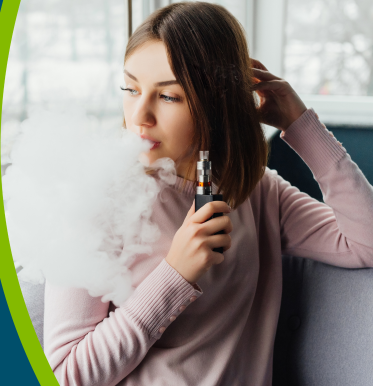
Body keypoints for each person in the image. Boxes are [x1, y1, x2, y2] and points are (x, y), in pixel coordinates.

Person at [42, 2, 373, 385]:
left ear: (217, 104)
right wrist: (175, 275)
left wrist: (300, 123)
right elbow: (63, 376)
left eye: (169, 97)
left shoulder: (257, 192)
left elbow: (366, 242)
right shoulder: (96, 198)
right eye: (130, 88)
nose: (140, 116)